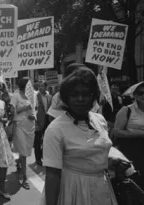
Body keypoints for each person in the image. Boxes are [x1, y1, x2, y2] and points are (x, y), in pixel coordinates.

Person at [40, 67, 121, 205]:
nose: (80, 99)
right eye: (74, 94)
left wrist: (109, 162)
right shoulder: (55, 129)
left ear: (93, 96)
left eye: (86, 94)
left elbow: (97, 151)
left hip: (101, 189)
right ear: (66, 97)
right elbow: (52, 175)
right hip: (72, 191)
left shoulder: (100, 120)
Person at [113, 81, 144, 190]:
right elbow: (117, 132)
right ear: (134, 95)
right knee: (138, 183)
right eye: (140, 93)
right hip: (133, 151)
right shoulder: (126, 110)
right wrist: (140, 134)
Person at [10, 77, 36, 190]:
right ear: (24, 85)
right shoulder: (16, 96)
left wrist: (33, 116)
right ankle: (25, 178)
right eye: (29, 84)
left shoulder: (33, 95)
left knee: (25, 151)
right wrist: (25, 107)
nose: (31, 85)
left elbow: (35, 109)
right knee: (24, 153)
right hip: (19, 126)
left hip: (30, 126)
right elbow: (12, 111)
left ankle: (19, 162)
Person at [34, 81, 52, 166]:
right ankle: (38, 159)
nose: (40, 88)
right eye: (39, 86)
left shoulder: (49, 97)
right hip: (38, 121)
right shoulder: (35, 97)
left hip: (48, 120)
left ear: (46, 87)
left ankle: (43, 155)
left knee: (47, 140)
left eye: (42, 86)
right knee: (37, 141)